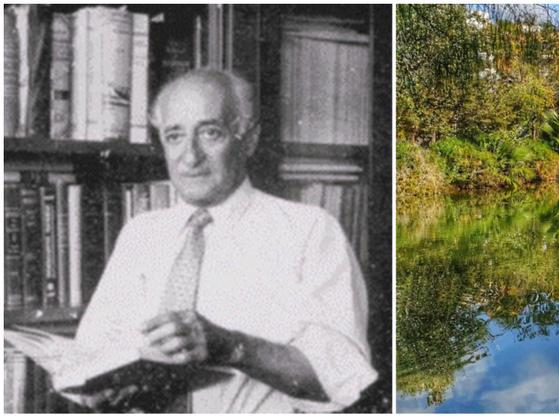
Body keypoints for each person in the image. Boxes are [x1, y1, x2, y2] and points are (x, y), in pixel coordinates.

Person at [71, 69, 376, 413]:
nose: (190, 156)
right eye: (174, 136)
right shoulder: (140, 234)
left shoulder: (309, 231)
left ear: (249, 140)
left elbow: (340, 380)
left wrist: (232, 347)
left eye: (210, 133)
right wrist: (97, 388)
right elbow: (91, 356)